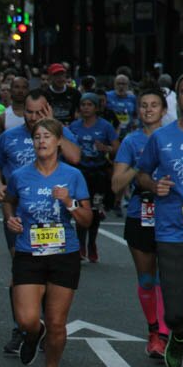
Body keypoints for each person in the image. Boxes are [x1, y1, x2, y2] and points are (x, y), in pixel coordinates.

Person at [0, 89, 82, 353]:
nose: (32, 118)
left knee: (48, 271)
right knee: (20, 270)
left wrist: (56, 126)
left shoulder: (58, 134)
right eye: (27, 113)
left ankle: (45, 325)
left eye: (38, 112)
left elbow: (75, 158)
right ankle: (24, 327)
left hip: (53, 218)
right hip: (19, 213)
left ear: (47, 109)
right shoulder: (9, 137)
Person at [2, 118, 91, 367]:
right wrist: (10, 219)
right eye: (37, 137)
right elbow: (8, 201)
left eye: (47, 136)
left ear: (59, 143)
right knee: (27, 319)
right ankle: (32, 333)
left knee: (56, 323)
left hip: (64, 255)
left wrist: (69, 202)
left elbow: (87, 219)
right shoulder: (20, 175)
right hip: (29, 252)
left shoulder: (73, 176)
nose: (41, 141)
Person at [135, 72, 183, 367]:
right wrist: (152, 185)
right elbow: (142, 173)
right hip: (172, 231)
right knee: (175, 312)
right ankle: (178, 332)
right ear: (178, 98)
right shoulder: (161, 138)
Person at [112, 89, 169, 358]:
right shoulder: (131, 142)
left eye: (154, 105)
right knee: (147, 279)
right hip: (140, 214)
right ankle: (154, 331)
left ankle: (168, 331)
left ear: (164, 110)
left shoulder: (175, 138)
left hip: (172, 215)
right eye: (144, 105)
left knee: (171, 278)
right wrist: (140, 166)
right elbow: (116, 184)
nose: (148, 110)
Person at [69, 92, 118, 262]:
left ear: (97, 108)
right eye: (83, 104)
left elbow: (117, 148)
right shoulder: (74, 127)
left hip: (99, 174)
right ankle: (81, 244)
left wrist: (106, 148)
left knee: (95, 211)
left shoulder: (105, 126)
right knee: (81, 208)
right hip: (80, 173)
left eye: (90, 105)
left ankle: (92, 244)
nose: (86, 108)